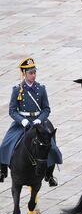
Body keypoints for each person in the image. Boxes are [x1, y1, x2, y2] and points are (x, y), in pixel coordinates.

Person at [0, 58, 62, 186]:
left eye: (34, 72)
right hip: (22, 123)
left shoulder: (41, 89)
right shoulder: (17, 90)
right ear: (24, 74)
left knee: (52, 148)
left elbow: (46, 109)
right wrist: (21, 120)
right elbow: (12, 110)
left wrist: (40, 119)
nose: (33, 75)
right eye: (30, 73)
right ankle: (3, 171)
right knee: (5, 145)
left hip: (38, 123)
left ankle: (49, 175)